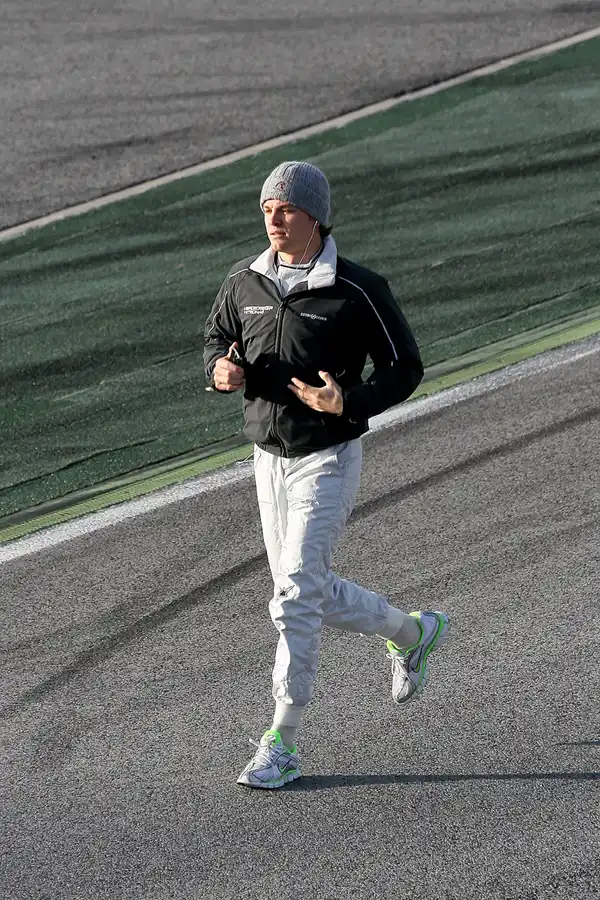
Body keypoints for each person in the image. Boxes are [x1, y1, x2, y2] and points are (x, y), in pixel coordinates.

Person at [204, 160, 449, 789]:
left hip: (328, 458)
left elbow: (405, 367)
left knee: (293, 595)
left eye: (286, 208)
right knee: (303, 589)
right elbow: (217, 338)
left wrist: (350, 402)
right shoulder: (244, 281)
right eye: (267, 208)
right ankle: (412, 633)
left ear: (315, 215)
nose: (274, 219)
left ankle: (282, 740)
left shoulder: (356, 289)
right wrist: (219, 372)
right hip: (267, 459)